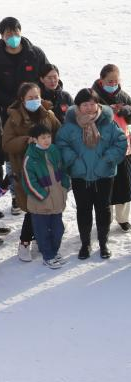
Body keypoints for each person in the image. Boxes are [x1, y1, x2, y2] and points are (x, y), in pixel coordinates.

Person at [55, 87, 126, 260]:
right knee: (84, 210)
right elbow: (61, 144)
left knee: (103, 209)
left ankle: (103, 243)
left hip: (104, 175)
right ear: (78, 106)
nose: (89, 107)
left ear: (98, 104)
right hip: (80, 175)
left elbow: (121, 141)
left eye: (92, 104)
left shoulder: (108, 123)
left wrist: (107, 159)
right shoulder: (70, 125)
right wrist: (75, 161)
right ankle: (85, 243)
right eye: (85, 104)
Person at [5, 81, 59, 258]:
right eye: (30, 98)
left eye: (37, 97)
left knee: (47, 205)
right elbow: (6, 144)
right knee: (33, 208)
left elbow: (59, 134)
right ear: (22, 99)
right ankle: (24, 243)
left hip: (49, 170)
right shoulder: (14, 119)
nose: (35, 100)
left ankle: (41, 238)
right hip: (25, 171)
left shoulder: (48, 115)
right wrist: (25, 140)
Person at [90, 65, 131, 232]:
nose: (113, 84)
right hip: (101, 148)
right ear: (101, 80)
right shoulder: (92, 95)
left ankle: (123, 218)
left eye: (116, 81)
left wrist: (126, 110)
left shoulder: (123, 95)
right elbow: (83, 114)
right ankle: (104, 218)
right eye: (110, 81)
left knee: (124, 183)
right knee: (105, 186)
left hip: (123, 146)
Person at [21, 121, 68, 267]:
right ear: (35, 139)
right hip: (41, 203)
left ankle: (54, 252)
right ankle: (48, 256)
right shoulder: (30, 157)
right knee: (42, 232)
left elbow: (63, 169)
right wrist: (43, 195)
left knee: (58, 229)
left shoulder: (54, 150)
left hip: (57, 199)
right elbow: (29, 182)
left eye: (48, 136)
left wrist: (65, 186)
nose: (47, 140)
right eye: (43, 138)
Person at [0, 17, 49, 119]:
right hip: (8, 109)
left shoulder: (35, 54)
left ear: (20, 32)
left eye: (16, 32)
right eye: (8, 34)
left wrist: (42, 98)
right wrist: (15, 104)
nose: (13, 36)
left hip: (36, 105)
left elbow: (49, 75)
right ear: (2, 36)